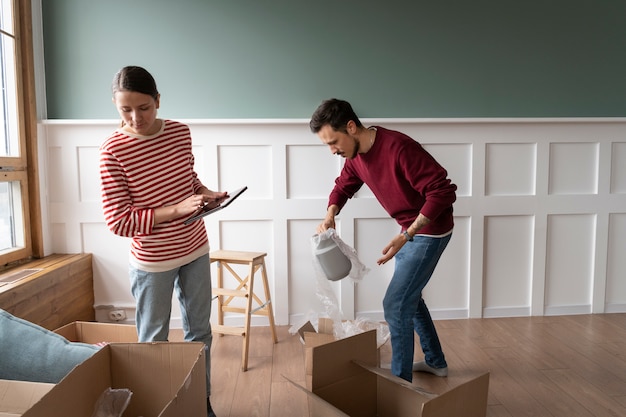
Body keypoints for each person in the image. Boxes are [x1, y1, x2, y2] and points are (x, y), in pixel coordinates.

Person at [99, 66, 224, 417]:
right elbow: (118, 221)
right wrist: (175, 209)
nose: (136, 118)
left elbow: (188, 178)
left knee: (200, 334)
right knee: (154, 342)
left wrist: (205, 194)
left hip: (195, 248)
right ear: (115, 105)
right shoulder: (112, 151)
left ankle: (201, 403)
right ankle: (160, 408)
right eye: (125, 110)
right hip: (152, 262)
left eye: (144, 108)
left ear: (157, 101)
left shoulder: (180, 132)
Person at [310, 98, 457, 383]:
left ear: (351, 127)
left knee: (395, 303)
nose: (332, 151)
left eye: (333, 141)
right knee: (409, 300)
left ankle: (398, 387)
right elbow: (344, 186)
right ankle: (436, 362)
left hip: (431, 231)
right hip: (409, 230)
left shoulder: (399, 148)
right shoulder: (355, 157)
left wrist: (407, 235)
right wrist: (330, 215)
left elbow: (442, 192)